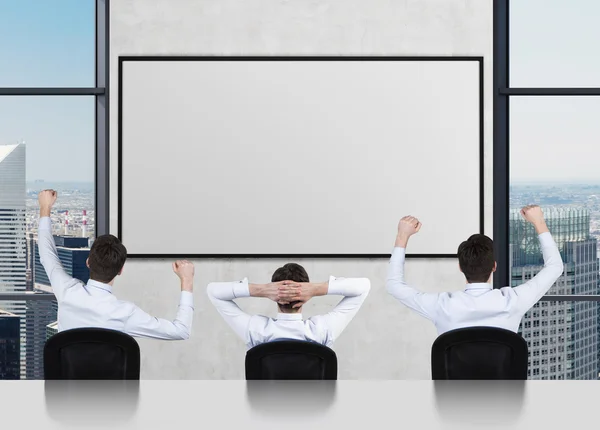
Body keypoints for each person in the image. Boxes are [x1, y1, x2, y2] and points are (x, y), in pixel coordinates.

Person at [38, 189, 194, 340]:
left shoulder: (67, 291)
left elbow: (47, 254)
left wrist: (45, 208)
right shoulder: (125, 313)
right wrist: (186, 280)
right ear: (120, 270)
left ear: (88, 262)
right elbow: (181, 331)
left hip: (64, 368)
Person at [386, 205, 564, 335]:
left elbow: (394, 285)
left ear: (460, 267)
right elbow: (555, 266)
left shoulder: (442, 305)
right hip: (504, 387)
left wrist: (402, 236)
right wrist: (539, 222)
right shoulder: (513, 301)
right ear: (494, 266)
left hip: (455, 387)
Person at [207, 263, 370, 349]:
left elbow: (213, 291)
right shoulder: (321, 330)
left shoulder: (256, 331)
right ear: (305, 297)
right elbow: (364, 286)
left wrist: (262, 290)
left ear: (274, 296)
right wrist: (316, 289)